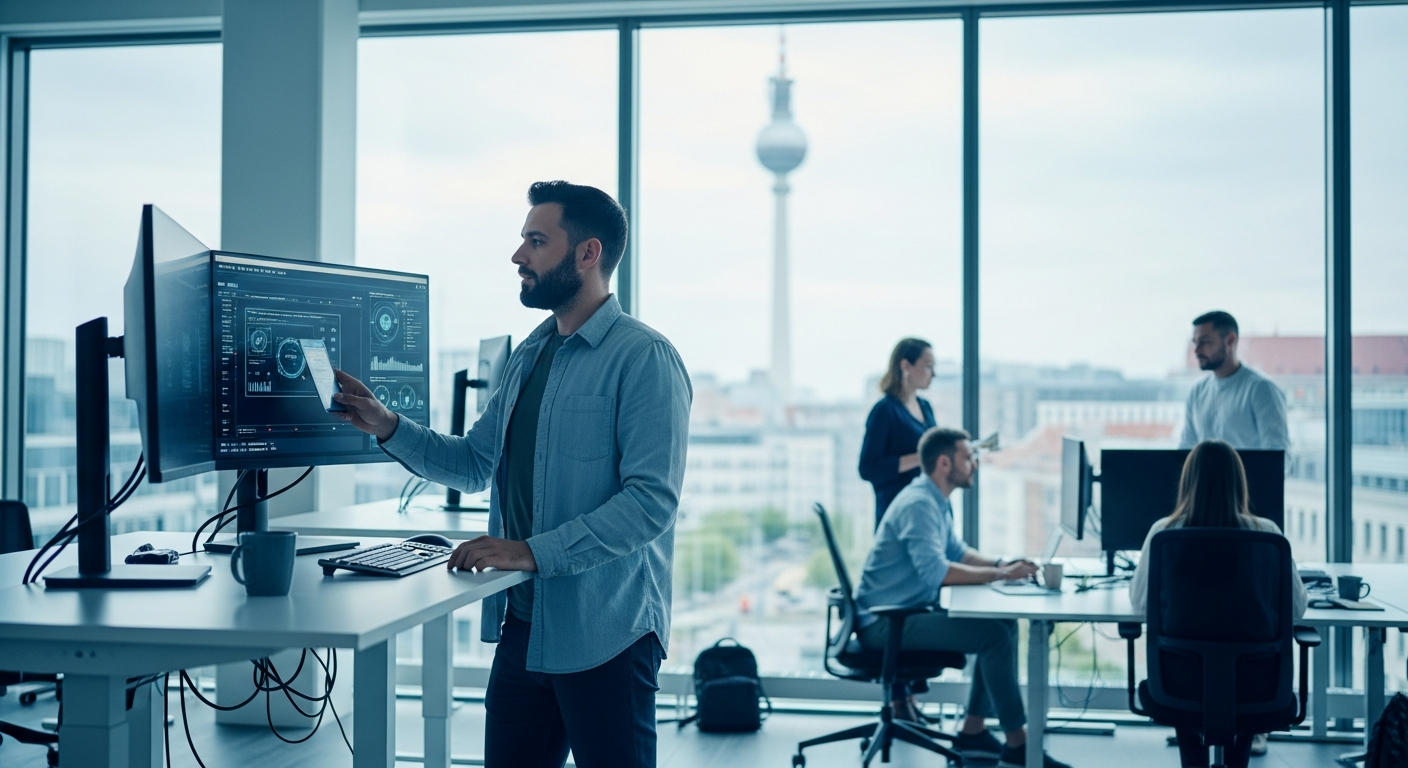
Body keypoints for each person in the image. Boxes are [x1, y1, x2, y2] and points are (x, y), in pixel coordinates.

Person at [332, 181, 692, 768]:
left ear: (587, 253)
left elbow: (649, 505)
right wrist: (387, 425)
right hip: (524, 623)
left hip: (607, 630)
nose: (518, 255)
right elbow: (475, 462)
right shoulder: (531, 353)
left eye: (536, 240)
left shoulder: (644, 358)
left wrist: (529, 551)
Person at [853, 427, 1074, 768]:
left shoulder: (932, 499)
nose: (975, 464)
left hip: (904, 613)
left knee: (1003, 623)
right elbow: (937, 572)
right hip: (886, 623)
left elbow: (957, 552)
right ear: (944, 463)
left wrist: (1003, 563)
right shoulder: (919, 505)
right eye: (968, 457)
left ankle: (973, 732)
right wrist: (1000, 576)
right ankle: (1019, 745)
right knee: (993, 637)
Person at [1128, 440, 1308, 768]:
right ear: (1239, 483)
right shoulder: (1266, 534)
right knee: (1241, 697)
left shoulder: (1163, 534)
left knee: (1190, 683)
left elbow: (1140, 604)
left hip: (1177, 683)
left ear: (1187, 482)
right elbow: (1296, 609)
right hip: (1257, 685)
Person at [1180, 311, 1289, 451]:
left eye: (1205, 341)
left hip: (1249, 474)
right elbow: (1185, 450)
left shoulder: (1262, 390)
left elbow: (1278, 455)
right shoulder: (1196, 392)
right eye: (1195, 342)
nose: (1196, 350)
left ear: (1230, 340)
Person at [859, 338, 937, 529]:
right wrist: (921, 458)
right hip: (898, 513)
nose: (933, 374)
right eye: (927, 366)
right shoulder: (884, 411)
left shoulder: (925, 407)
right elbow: (868, 468)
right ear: (905, 366)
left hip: (927, 506)